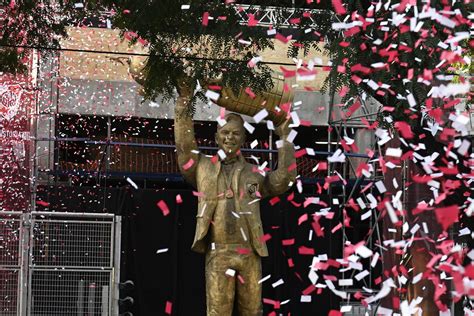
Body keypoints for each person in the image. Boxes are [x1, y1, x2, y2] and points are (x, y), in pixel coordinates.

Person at [174, 83, 296, 316]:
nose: (230, 137)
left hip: (249, 252)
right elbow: (184, 147)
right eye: (225, 133)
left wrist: (285, 137)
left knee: (253, 311)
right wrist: (184, 101)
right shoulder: (202, 168)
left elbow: (284, 180)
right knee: (218, 311)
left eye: (236, 134)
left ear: (242, 139)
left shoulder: (254, 173)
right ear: (217, 137)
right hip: (218, 252)